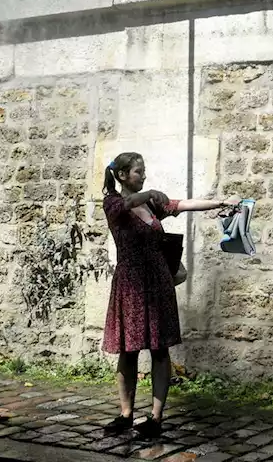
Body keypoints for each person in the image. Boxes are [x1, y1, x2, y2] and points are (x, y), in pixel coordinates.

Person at [99, 152, 238, 439]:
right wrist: (149, 193)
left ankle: (155, 418)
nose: (144, 176)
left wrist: (222, 202)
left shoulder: (150, 204)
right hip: (131, 284)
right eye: (139, 172)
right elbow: (126, 204)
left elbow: (182, 205)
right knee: (128, 351)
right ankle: (126, 415)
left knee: (160, 350)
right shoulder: (113, 202)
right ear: (123, 175)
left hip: (158, 283)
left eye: (144, 171)